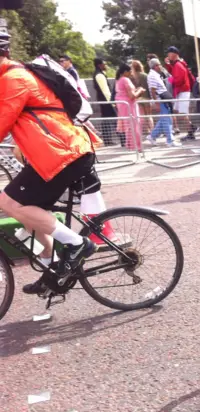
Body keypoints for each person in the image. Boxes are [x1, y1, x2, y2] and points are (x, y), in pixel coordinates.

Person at [0, 32, 97, 290]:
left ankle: (78, 244)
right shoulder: (11, 76)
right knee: (28, 211)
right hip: (55, 153)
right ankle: (52, 271)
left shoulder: (15, 79)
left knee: (10, 203)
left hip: (63, 153)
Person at [145, 58, 178, 147]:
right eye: (159, 64)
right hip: (160, 100)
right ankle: (170, 141)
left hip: (162, 99)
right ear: (155, 66)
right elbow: (153, 90)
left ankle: (152, 136)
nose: (161, 66)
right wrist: (156, 103)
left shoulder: (154, 75)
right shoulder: (152, 76)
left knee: (164, 120)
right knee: (166, 120)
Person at [164, 46, 194, 139]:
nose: (168, 55)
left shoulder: (178, 65)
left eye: (169, 53)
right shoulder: (178, 64)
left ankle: (191, 130)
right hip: (182, 90)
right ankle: (191, 128)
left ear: (174, 54)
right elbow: (174, 73)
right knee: (178, 111)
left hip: (183, 90)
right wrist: (168, 65)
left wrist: (170, 80)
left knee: (183, 112)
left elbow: (179, 79)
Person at [114, 63, 144, 152]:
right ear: (125, 72)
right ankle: (136, 146)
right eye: (129, 71)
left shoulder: (118, 80)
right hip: (129, 105)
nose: (131, 72)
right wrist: (140, 90)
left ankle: (131, 145)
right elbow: (132, 96)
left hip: (122, 105)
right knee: (134, 125)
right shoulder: (125, 80)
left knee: (129, 125)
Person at [93, 58, 119, 146]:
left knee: (107, 121)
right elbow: (105, 90)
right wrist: (112, 102)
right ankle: (118, 139)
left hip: (104, 101)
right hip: (106, 102)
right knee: (113, 119)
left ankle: (108, 140)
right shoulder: (99, 75)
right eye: (104, 64)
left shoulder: (100, 74)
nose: (106, 65)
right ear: (99, 65)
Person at [131, 60, 154, 136]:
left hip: (138, 98)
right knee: (149, 116)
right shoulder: (145, 75)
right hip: (146, 98)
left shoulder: (132, 76)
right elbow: (149, 87)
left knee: (142, 116)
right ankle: (152, 131)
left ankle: (146, 131)